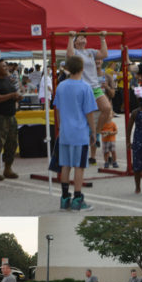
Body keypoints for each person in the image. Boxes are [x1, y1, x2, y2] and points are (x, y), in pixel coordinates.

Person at [53, 55, 97, 211]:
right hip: (80, 132)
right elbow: (89, 112)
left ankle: (65, 198)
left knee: (65, 165)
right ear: (82, 69)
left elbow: (57, 109)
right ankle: (78, 198)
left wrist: (61, 126)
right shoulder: (85, 87)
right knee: (79, 167)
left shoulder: (61, 86)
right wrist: (93, 131)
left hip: (65, 131)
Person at [67, 31, 112, 166]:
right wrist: (70, 38)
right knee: (85, 116)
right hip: (81, 87)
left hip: (94, 86)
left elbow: (104, 54)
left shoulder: (90, 52)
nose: (83, 39)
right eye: (80, 37)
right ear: (75, 41)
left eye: (84, 37)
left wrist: (102, 39)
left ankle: (95, 134)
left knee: (106, 108)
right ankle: (80, 150)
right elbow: (69, 56)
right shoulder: (74, 51)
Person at [0, 59, 22, 181]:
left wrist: (17, 97)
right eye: (3, 66)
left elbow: (12, 95)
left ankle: (8, 168)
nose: (6, 67)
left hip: (11, 117)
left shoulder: (9, 82)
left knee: (12, 143)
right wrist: (11, 96)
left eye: (6, 65)